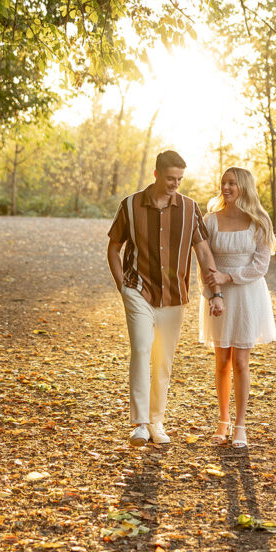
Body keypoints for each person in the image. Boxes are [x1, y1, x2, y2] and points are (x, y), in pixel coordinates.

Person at [107, 150, 224, 446]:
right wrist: (123, 286)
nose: (175, 184)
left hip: (174, 295)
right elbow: (113, 248)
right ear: (156, 174)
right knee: (142, 349)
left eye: (180, 179)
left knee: (163, 361)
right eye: (170, 178)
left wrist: (215, 291)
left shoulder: (189, 208)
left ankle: (156, 421)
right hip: (138, 290)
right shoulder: (131, 206)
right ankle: (140, 424)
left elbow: (203, 250)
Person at [200, 168, 276, 450]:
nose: (226, 187)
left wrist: (228, 277)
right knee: (221, 361)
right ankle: (223, 421)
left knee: (240, 362)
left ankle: (241, 424)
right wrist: (213, 293)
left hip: (246, 294)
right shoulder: (209, 220)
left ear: (244, 187)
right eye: (223, 182)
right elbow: (203, 260)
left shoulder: (259, 221)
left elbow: (260, 266)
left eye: (232, 183)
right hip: (218, 296)